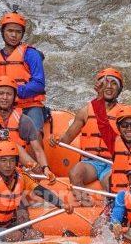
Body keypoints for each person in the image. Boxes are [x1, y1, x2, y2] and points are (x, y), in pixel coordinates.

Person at [49, 67, 123, 206]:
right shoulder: (85, 111)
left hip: (113, 163)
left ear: (119, 90)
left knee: (112, 182)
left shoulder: (123, 114)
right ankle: (88, 207)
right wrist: (56, 139)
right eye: (104, 82)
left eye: (113, 83)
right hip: (91, 162)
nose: (108, 86)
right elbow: (67, 139)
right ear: (98, 87)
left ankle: (113, 212)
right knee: (75, 173)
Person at [0, 9, 47, 134]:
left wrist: (14, 92)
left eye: (18, 32)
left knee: (34, 132)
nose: (14, 35)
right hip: (2, 108)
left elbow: (39, 84)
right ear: (3, 32)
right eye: (10, 31)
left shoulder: (31, 55)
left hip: (29, 106)